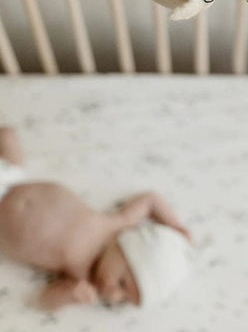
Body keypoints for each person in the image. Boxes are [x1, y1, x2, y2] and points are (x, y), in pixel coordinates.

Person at [0, 127, 192, 311]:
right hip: (12, 179)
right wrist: (174, 224)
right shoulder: (119, 223)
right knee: (7, 137)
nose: (113, 296)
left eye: (123, 300)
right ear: (129, 248)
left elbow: (43, 302)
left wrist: (69, 296)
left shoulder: (82, 277)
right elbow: (150, 199)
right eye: (122, 284)